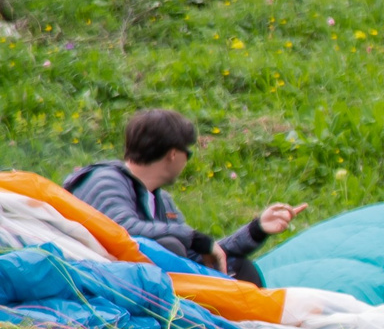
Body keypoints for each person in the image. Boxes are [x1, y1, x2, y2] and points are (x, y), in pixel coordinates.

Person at [63, 108, 307, 281]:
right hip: (99, 277)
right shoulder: (105, 180)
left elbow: (199, 255)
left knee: (238, 268)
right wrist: (193, 238)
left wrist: (256, 229)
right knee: (169, 245)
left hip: (143, 281)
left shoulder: (161, 200)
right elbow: (120, 230)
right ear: (173, 154)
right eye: (188, 154)